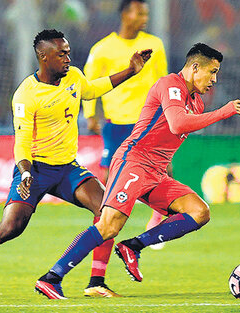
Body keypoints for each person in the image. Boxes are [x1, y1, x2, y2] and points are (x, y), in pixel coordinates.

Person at [35, 42, 240, 299]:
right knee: (109, 225)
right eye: (212, 72)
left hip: (156, 173)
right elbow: (178, 124)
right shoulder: (170, 84)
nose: (215, 79)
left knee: (199, 211)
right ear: (194, 68)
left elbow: (171, 136)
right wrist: (223, 113)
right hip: (133, 161)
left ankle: (134, 246)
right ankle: (51, 278)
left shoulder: (197, 103)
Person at [0, 29, 151, 298]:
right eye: (61, 53)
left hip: (67, 168)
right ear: (43, 56)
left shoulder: (74, 76)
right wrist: (26, 172)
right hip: (36, 170)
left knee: (108, 211)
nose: (68, 57)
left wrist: (131, 70)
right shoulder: (26, 95)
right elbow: (22, 141)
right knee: (10, 229)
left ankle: (96, 282)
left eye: (68, 52)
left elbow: (92, 90)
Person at [82, 0, 168, 254]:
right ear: (124, 14)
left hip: (148, 120)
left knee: (164, 171)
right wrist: (89, 115)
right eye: (140, 13)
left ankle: (157, 219)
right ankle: (105, 224)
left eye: (146, 13)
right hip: (116, 122)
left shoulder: (155, 45)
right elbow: (91, 82)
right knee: (108, 182)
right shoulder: (102, 49)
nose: (144, 17)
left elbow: (162, 80)